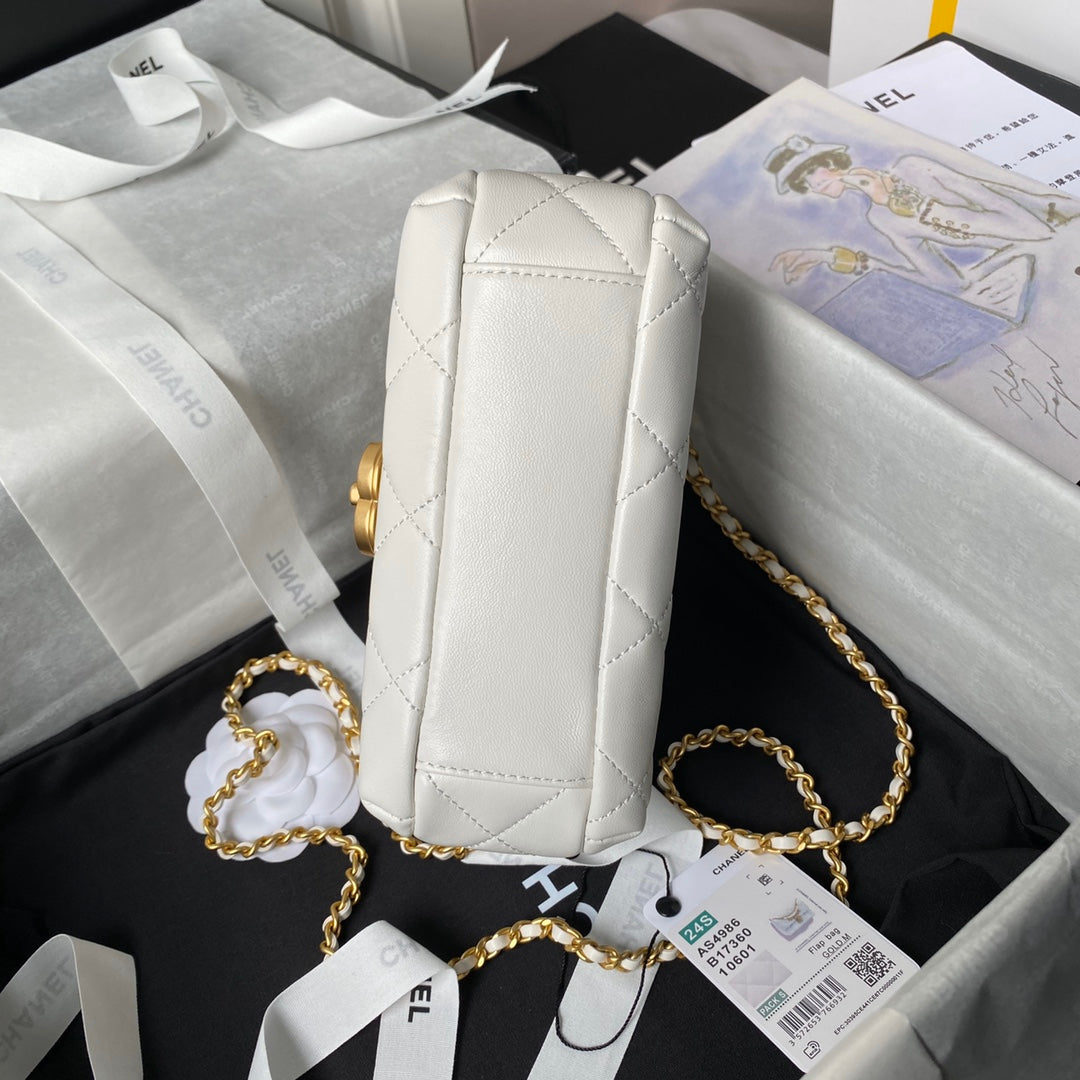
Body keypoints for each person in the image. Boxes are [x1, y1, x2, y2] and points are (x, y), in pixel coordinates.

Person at [764, 135, 1072, 308]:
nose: (812, 185)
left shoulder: (912, 168)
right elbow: (947, 282)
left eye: (810, 172)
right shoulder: (880, 218)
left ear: (831, 162)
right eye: (801, 183)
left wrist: (912, 206)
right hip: (1042, 274)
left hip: (1064, 234)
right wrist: (839, 259)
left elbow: (1030, 229)